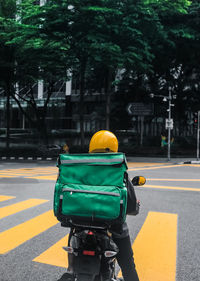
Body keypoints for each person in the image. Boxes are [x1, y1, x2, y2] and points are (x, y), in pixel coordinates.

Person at [89, 130, 140, 281]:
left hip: (81, 225)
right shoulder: (119, 170)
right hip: (114, 227)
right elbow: (131, 207)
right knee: (128, 265)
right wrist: (135, 207)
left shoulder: (81, 168)